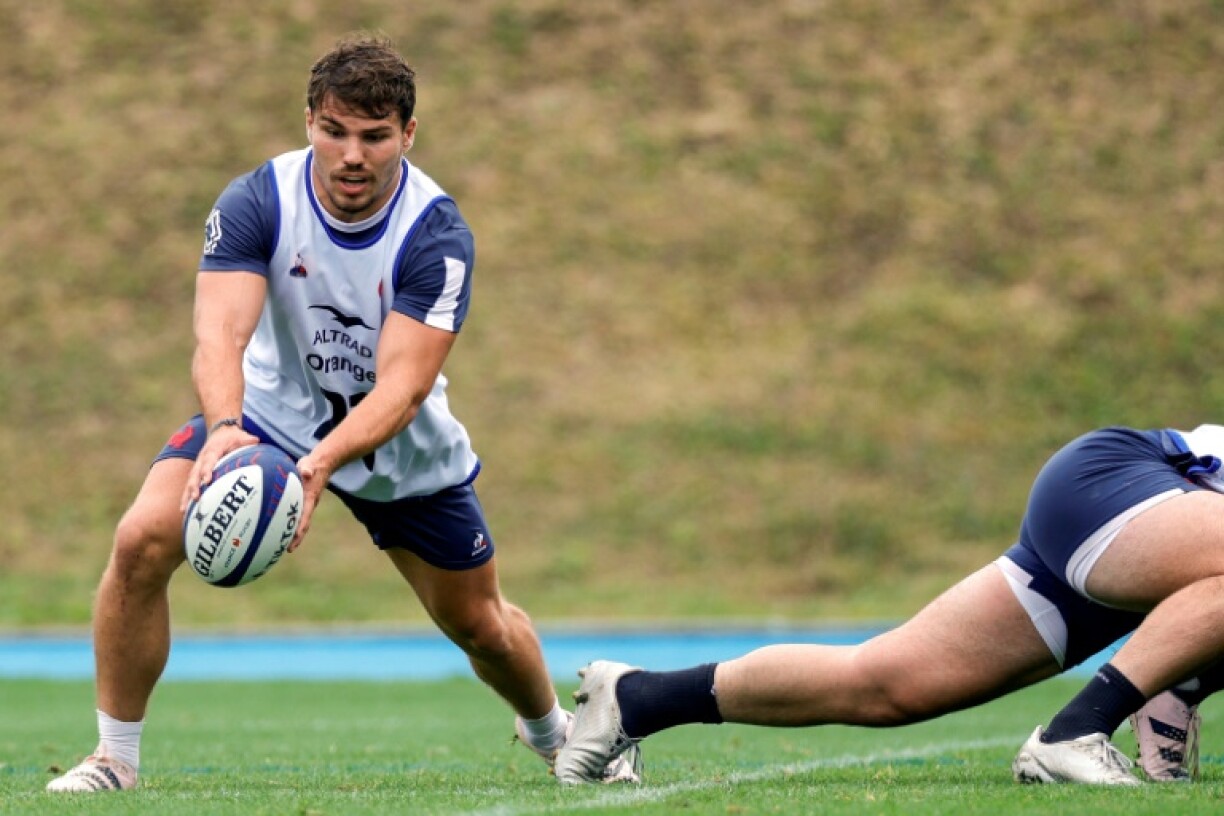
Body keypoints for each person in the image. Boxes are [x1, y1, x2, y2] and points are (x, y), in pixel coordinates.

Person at [46, 33, 637, 792]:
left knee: (480, 627)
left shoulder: (436, 235)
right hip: (269, 419)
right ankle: (114, 760)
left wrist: (322, 463)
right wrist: (227, 426)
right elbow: (217, 334)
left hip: (399, 453)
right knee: (139, 541)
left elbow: (403, 389)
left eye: (374, 136)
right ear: (308, 123)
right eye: (334, 131)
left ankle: (560, 737)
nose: (351, 154)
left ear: (408, 136)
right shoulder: (257, 200)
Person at [554, 424, 1224, 786]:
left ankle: (637, 698)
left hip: (1148, 535)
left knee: (886, 685)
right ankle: (1072, 735)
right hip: (1123, 487)